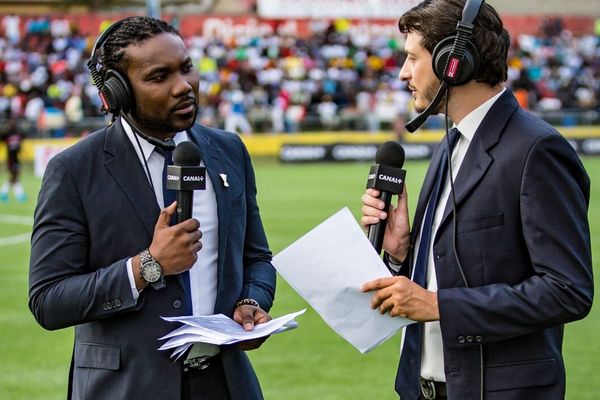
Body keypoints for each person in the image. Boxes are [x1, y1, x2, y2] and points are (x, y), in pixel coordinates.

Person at [29, 16, 276, 400]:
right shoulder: (74, 170)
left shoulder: (229, 151)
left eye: (186, 68)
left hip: (226, 385)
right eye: (159, 77)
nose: (184, 86)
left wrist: (251, 301)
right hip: (126, 388)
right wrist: (147, 266)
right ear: (118, 92)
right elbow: (48, 300)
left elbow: (257, 258)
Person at [360, 1, 593, 399]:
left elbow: (566, 290)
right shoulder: (450, 144)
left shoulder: (537, 149)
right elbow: (456, 267)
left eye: (412, 59)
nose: (402, 74)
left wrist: (440, 306)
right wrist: (402, 254)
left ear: (455, 62)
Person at [0, 118, 26, 203]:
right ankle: (19, 195)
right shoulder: (7, 134)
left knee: (15, 176)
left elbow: (24, 135)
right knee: (14, 176)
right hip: (10, 159)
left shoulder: (18, 133)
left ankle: (5, 193)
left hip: (16, 158)